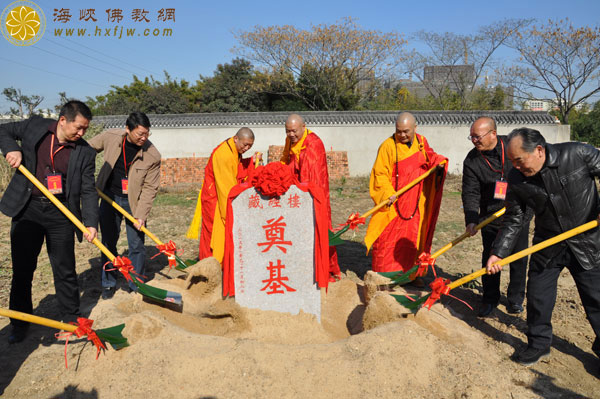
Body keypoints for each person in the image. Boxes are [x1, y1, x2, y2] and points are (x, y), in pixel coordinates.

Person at [486, 128, 600, 367]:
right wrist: (498, 253)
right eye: (513, 162)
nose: (516, 166)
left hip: (587, 241)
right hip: (548, 243)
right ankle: (538, 345)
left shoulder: (577, 154)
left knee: (596, 298)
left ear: (539, 150)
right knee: (538, 296)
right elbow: (514, 218)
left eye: (519, 160)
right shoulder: (517, 179)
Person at [0, 100, 98, 344]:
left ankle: (70, 319)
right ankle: (19, 323)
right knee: (23, 269)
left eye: (85, 129)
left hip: (62, 213)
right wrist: (12, 149)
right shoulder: (36, 127)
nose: (82, 133)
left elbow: (88, 189)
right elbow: (2, 130)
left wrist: (91, 222)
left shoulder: (84, 151)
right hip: (29, 209)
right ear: (62, 121)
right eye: (79, 127)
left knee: (64, 269)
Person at [88, 112, 161, 299]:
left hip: (134, 203)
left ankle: (135, 282)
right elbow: (87, 149)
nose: (144, 138)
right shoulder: (111, 137)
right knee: (108, 242)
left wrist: (141, 215)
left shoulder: (152, 155)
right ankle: (108, 283)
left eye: (147, 134)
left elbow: (150, 187)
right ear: (127, 129)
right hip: (108, 197)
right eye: (140, 134)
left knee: (136, 244)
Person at [462, 116, 529, 317]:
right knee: (490, 259)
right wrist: (472, 219)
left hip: (518, 213)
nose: (474, 140)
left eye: (477, 136)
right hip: (491, 216)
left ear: (493, 134)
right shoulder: (472, 160)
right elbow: (470, 192)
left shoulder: (512, 146)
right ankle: (490, 298)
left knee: (519, 258)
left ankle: (515, 299)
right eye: (471, 137)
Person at [365, 112, 447, 274]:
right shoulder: (388, 146)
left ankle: (412, 275)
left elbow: (430, 158)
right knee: (387, 240)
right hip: (395, 202)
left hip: (417, 202)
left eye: (406, 131)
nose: (402, 135)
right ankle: (384, 276)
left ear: (415, 128)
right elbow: (379, 174)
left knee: (414, 238)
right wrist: (388, 193)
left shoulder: (422, 142)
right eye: (398, 131)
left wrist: (438, 163)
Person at [280, 114, 340, 279]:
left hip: (312, 196)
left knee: (315, 230)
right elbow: (286, 161)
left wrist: (303, 195)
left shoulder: (313, 144)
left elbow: (312, 179)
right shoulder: (290, 141)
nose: (291, 135)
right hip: (295, 192)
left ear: (303, 127)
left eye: (294, 131)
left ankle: (320, 268)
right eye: (287, 131)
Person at [193, 127, 257, 264]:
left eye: (250, 146)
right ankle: (211, 265)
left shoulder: (233, 149)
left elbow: (236, 169)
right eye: (245, 144)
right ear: (236, 138)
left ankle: (220, 262)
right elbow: (226, 189)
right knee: (213, 234)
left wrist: (251, 161)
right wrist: (230, 212)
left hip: (217, 194)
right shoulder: (224, 155)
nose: (246, 148)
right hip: (215, 199)